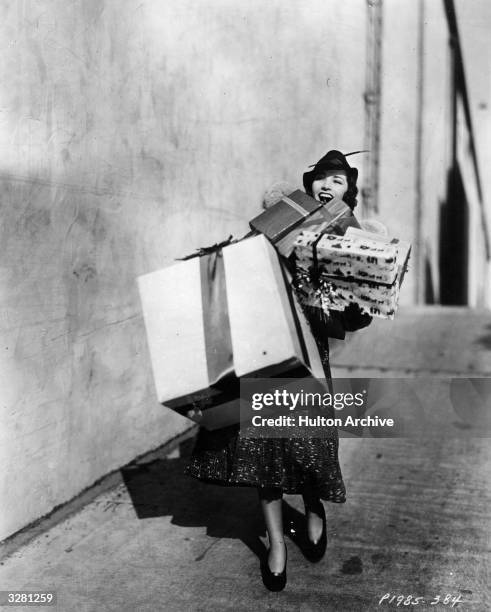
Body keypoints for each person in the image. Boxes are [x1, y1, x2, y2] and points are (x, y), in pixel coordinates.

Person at [185, 150, 372, 591]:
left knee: (308, 440)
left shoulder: (350, 237)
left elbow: (362, 307)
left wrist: (343, 297)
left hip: (308, 350)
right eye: (322, 179)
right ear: (308, 186)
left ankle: (312, 505)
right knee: (261, 447)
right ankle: (275, 542)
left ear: (348, 192)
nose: (328, 185)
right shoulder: (279, 222)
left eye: (338, 180)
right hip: (265, 348)